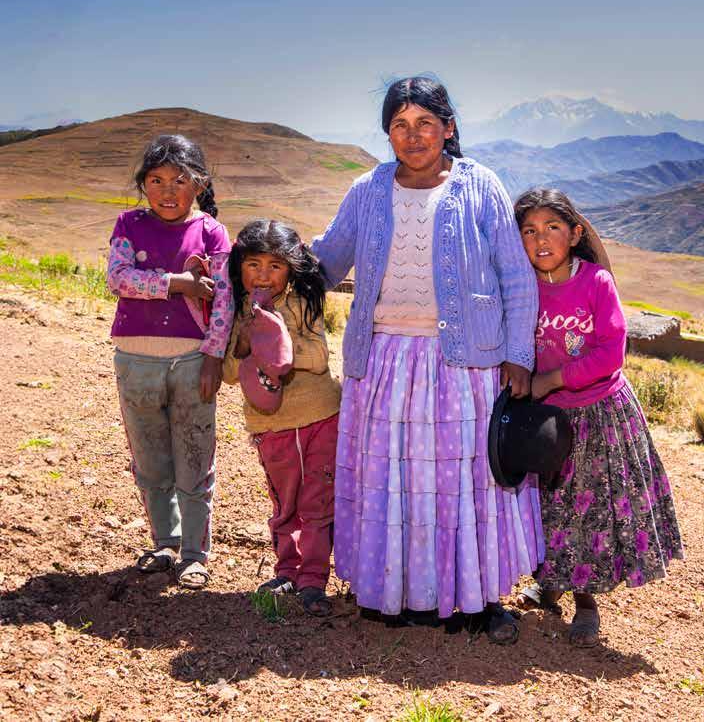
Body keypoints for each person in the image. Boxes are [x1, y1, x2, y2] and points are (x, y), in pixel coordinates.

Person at [311, 76, 543, 643]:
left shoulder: (480, 185)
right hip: (384, 360)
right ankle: (396, 593)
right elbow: (327, 261)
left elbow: (516, 276)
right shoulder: (367, 190)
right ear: (387, 133)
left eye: (425, 124)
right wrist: (257, 265)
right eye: (400, 125)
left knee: (465, 482)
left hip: (463, 366)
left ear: (448, 128)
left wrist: (518, 354)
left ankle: (478, 598)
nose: (412, 136)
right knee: (393, 480)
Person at [513, 187, 683, 645]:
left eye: (552, 227)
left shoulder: (596, 283)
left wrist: (552, 379)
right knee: (549, 505)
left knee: (590, 511)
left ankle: (586, 604)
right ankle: (549, 583)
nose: (541, 239)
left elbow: (611, 353)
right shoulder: (522, 289)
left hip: (599, 416)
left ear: (574, 234)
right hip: (546, 420)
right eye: (529, 230)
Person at [107, 135, 233, 589]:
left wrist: (213, 356)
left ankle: (195, 554)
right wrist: (177, 283)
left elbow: (224, 302)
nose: (167, 191)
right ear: (143, 184)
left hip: (192, 361)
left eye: (179, 181)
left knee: (194, 459)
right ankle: (165, 543)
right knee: (150, 461)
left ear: (199, 184)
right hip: (135, 361)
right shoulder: (129, 223)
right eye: (156, 180)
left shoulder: (212, 232)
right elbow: (118, 278)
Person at [223, 219, 340, 616]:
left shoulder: (303, 304)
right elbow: (228, 373)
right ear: (239, 266)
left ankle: (313, 580)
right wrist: (245, 342)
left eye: (275, 266)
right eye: (253, 264)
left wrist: (276, 345)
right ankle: (287, 570)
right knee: (284, 503)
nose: (264, 275)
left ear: (291, 268)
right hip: (270, 426)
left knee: (317, 502)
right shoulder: (239, 310)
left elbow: (318, 358)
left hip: (320, 417)